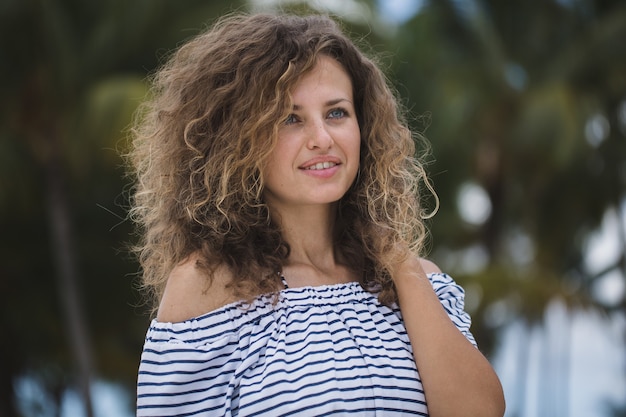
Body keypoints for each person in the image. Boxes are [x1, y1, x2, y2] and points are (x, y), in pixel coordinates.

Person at [129, 12, 505, 417]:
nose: (322, 139)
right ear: (236, 141)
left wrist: (398, 261)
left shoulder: (416, 280)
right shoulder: (206, 289)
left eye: (337, 113)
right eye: (291, 118)